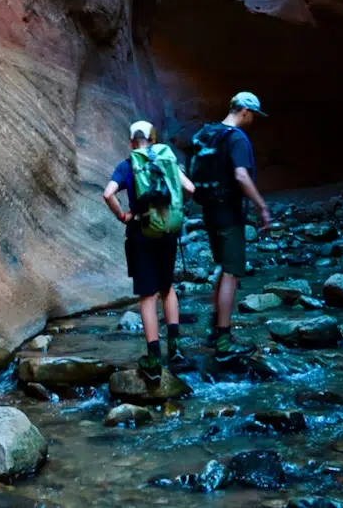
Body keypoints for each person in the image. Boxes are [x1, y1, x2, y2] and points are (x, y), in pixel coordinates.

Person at [103, 120, 195, 379]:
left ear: (132, 142)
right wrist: (174, 208)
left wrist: (123, 215)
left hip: (140, 233)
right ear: (154, 139)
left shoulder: (127, 165)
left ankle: (154, 357)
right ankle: (175, 351)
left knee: (147, 295)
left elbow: (107, 194)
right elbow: (190, 189)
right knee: (167, 289)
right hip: (166, 232)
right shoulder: (167, 161)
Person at [191, 91, 271, 363]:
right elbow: (240, 175)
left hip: (210, 211)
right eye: (254, 116)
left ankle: (216, 330)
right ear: (245, 111)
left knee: (223, 268)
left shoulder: (211, 133)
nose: (254, 121)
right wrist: (262, 206)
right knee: (232, 272)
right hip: (228, 214)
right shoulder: (236, 138)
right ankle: (224, 339)